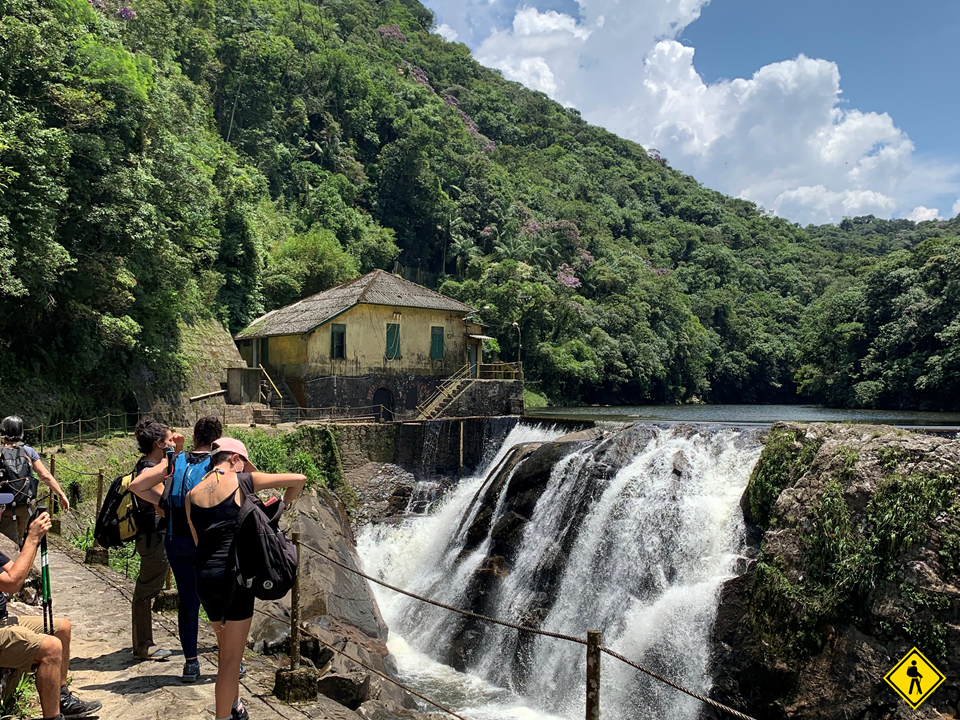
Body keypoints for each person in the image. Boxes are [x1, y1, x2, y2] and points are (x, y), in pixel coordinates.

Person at [186, 437, 305, 720]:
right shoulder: (244, 480)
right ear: (235, 459)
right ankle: (223, 717)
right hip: (234, 580)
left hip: (204, 578)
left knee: (226, 648)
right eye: (243, 462)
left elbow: (196, 539)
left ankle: (234, 706)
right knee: (231, 659)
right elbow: (298, 480)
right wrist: (282, 507)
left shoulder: (192, 495)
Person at [131, 415, 222, 682]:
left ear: (194, 437)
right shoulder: (218, 462)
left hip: (176, 541)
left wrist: (163, 504)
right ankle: (231, 661)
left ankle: (191, 664)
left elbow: (137, 485)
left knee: (188, 601)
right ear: (217, 440)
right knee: (217, 602)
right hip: (206, 543)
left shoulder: (175, 460)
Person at [0, 509, 101, 719]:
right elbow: (13, 584)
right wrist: (32, 538)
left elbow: (16, 569)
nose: (2, 511)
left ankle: (61, 699)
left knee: (62, 627)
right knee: (50, 647)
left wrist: (35, 539)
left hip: (2, 618)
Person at [130, 418, 174, 661]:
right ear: (158, 443)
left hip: (152, 537)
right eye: (168, 441)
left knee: (146, 589)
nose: (172, 444)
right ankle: (143, 645)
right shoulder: (149, 470)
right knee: (146, 590)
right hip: (153, 538)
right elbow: (163, 505)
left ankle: (143, 642)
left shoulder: (148, 465)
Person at [0, 416, 71, 547]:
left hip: (5, 509)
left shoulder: (0, 452)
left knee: (8, 548)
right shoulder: (28, 451)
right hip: (26, 507)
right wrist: (61, 495)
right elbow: (45, 475)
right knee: (20, 543)